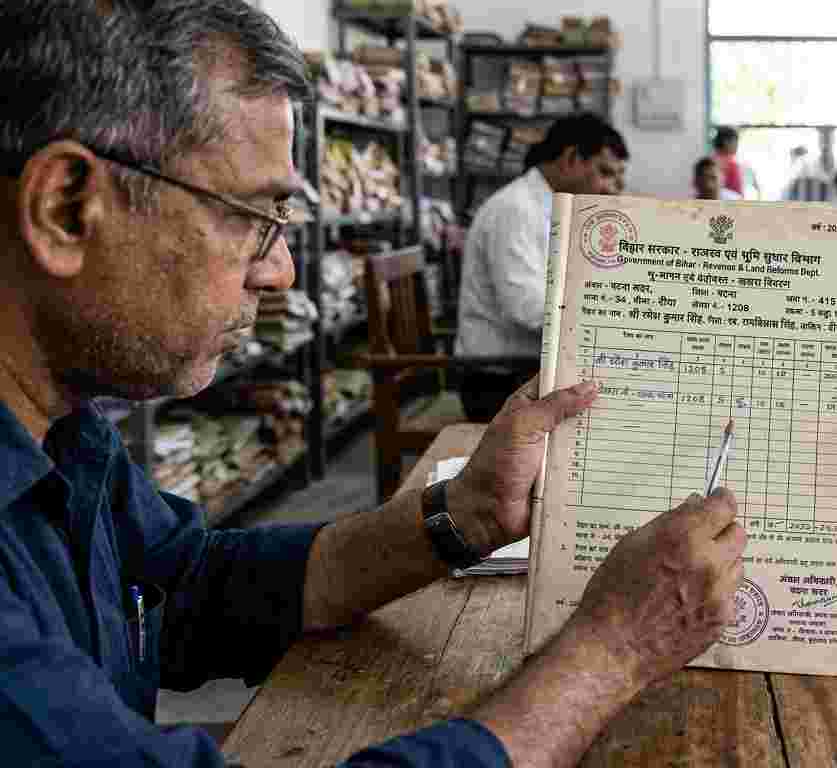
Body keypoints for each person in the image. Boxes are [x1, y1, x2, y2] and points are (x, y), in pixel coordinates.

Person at [0, 4, 744, 766]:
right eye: (252, 216)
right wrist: (610, 655)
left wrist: (463, 517)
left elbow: (189, 590)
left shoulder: (65, 433)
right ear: (65, 208)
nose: (280, 270)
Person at [456, 114, 628, 420]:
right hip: (499, 379)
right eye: (604, 172)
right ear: (571, 158)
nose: (610, 188)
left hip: (525, 368)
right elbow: (526, 308)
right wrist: (604, 313)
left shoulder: (551, 208)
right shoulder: (516, 210)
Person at [713, 126, 754, 199]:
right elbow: (738, 194)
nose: (737, 145)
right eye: (735, 141)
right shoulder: (731, 164)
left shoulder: (711, 161)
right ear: (726, 142)